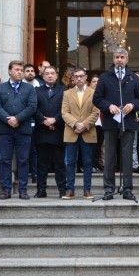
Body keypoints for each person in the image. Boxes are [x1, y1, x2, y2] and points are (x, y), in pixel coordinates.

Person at [93, 48, 139, 201]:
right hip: (111, 122)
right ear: (113, 59)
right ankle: (109, 189)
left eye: (122, 57)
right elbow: (96, 98)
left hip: (128, 122)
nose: (119, 60)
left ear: (127, 60)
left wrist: (132, 105)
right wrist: (108, 106)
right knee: (109, 157)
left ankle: (127, 189)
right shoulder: (105, 77)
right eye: (117, 57)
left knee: (127, 157)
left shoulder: (133, 78)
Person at [0, 60, 37, 200]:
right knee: (5, 160)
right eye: (17, 69)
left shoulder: (29, 89)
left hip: (23, 129)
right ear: (9, 71)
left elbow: (32, 107)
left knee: (23, 160)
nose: (20, 72)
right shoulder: (0, 88)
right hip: (5, 130)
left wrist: (17, 118)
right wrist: (8, 118)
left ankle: (23, 189)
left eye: (21, 70)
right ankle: (6, 189)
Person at [61, 67, 100, 199]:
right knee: (70, 162)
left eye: (81, 76)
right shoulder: (67, 93)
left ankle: (87, 190)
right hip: (71, 132)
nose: (78, 78)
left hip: (88, 132)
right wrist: (76, 124)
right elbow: (64, 112)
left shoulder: (93, 92)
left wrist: (84, 125)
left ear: (85, 78)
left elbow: (96, 112)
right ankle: (70, 190)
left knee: (88, 162)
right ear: (72, 78)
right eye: (76, 76)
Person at [33, 65, 67, 198]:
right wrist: (44, 120)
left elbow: (66, 109)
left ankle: (62, 190)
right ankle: (41, 190)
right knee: (42, 164)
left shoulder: (64, 91)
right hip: (42, 132)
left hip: (58, 131)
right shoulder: (36, 91)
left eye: (52, 73)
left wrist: (55, 120)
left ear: (56, 75)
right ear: (43, 75)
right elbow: (33, 108)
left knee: (60, 164)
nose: (50, 75)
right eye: (47, 73)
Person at [89, 76, 105, 172]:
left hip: (100, 124)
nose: (96, 83)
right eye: (93, 81)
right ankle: (90, 165)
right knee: (91, 146)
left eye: (97, 81)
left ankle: (97, 164)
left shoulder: (103, 94)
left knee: (99, 146)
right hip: (90, 123)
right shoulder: (87, 94)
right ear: (90, 83)